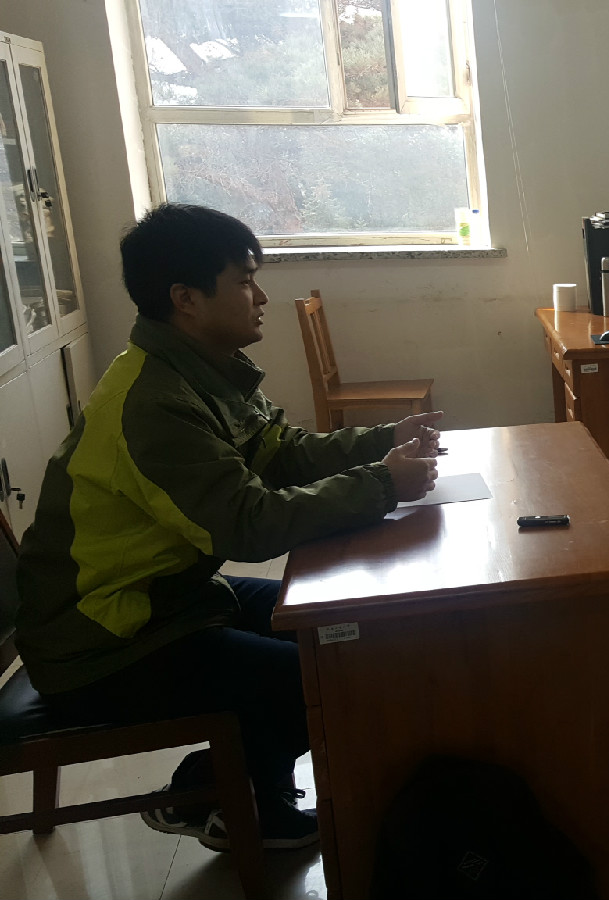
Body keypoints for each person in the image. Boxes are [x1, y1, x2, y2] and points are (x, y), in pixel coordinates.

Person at [15, 203, 441, 852]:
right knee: (319, 677)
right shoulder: (153, 404)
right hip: (105, 640)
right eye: (244, 281)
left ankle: (222, 784)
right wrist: (383, 484)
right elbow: (249, 525)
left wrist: (383, 441)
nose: (261, 297)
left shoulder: (201, 368)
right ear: (185, 299)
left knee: (344, 632)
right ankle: (223, 795)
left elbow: (281, 452)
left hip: (170, 600)